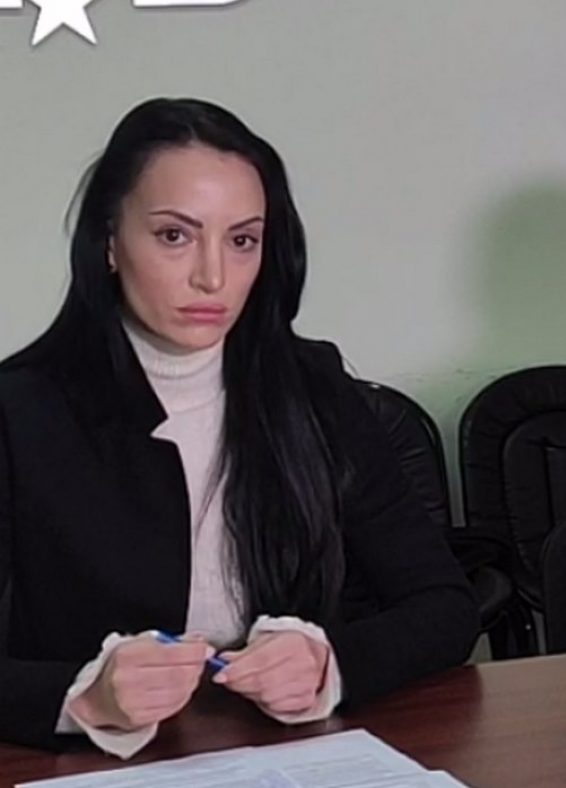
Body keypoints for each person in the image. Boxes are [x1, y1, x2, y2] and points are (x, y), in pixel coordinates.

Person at [0, 98, 480, 755]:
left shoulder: (314, 389)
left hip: (290, 756)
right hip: (91, 767)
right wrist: (82, 696)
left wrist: (330, 663)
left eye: (242, 240)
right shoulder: (20, 410)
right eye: (174, 236)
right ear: (109, 241)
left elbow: (444, 607)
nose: (212, 276)